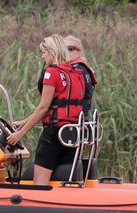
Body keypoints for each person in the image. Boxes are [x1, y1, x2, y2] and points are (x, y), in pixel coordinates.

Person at [6, 34, 88, 185]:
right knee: (63, 183)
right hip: (72, 135)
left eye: (44, 53)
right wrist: (24, 122)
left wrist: (20, 133)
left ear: (52, 52)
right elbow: (56, 107)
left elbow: (43, 108)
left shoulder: (52, 73)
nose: (43, 57)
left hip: (53, 135)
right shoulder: (76, 74)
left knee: (40, 182)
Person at [63, 35, 98, 115]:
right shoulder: (82, 68)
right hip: (77, 117)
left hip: (73, 118)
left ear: (79, 51)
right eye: (63, 49)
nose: (66, 52)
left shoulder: (77, 70)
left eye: (70, 48)